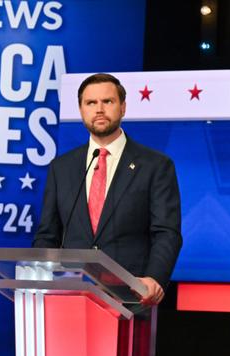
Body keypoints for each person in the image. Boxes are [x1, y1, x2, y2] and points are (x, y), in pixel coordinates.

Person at [33, 73, 182, 305]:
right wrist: (38, 275)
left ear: (122, 107)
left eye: (108, 101)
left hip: (131, 297)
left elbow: (166, 233)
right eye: (91, 103)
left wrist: (154, 279)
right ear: (81, 110)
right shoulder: (61, 168)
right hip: (68, 297)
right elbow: (47, 235)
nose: (99, 109)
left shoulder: (156, 166)